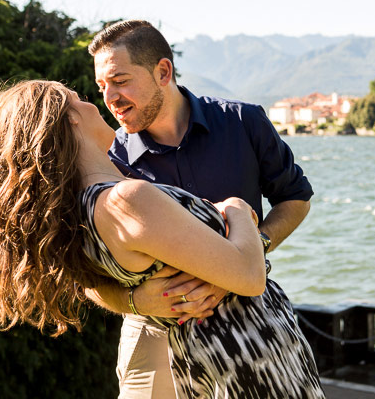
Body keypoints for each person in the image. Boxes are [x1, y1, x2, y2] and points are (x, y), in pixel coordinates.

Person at [0, 80, 325, 399]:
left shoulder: (78, 209)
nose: (102, 102)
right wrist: (238, 208)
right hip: (243, 351)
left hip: (220, 353)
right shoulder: (126, 200)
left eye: (119, 81)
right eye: (85, 97)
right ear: (72, 121)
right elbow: (248, 275)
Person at [84, 20, 314, 398]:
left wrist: (254, 249)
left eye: (120, 80)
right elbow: (85, 278)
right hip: (152, 328)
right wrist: (134, 301)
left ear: (163, 72)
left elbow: (295, 198)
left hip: (248, 317)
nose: (110, 97)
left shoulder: (244, 122)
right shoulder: (111, 161)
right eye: (102, 86)